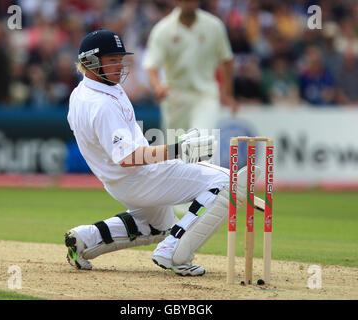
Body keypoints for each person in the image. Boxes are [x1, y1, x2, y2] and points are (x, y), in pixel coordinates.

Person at [64, 29, 261, 276]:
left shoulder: (83, 92)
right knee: (229, 182)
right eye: (112, 59)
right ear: (90, 62)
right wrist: (178, 150)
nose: (119, 65)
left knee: (157, 225)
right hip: (139, 175)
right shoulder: (101, 104)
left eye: (120, 58)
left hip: (120, 181)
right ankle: (174, 252)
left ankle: (85, 238)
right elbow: (127, 157)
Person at [142, 0, 237, 134]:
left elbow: (227, 59)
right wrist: (158, 87)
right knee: (176, 150)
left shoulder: (214, 26)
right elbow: (151, 65)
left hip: (205, 95)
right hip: (175, 97)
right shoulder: (162, 29)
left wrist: (227, 93)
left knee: (200, 142)